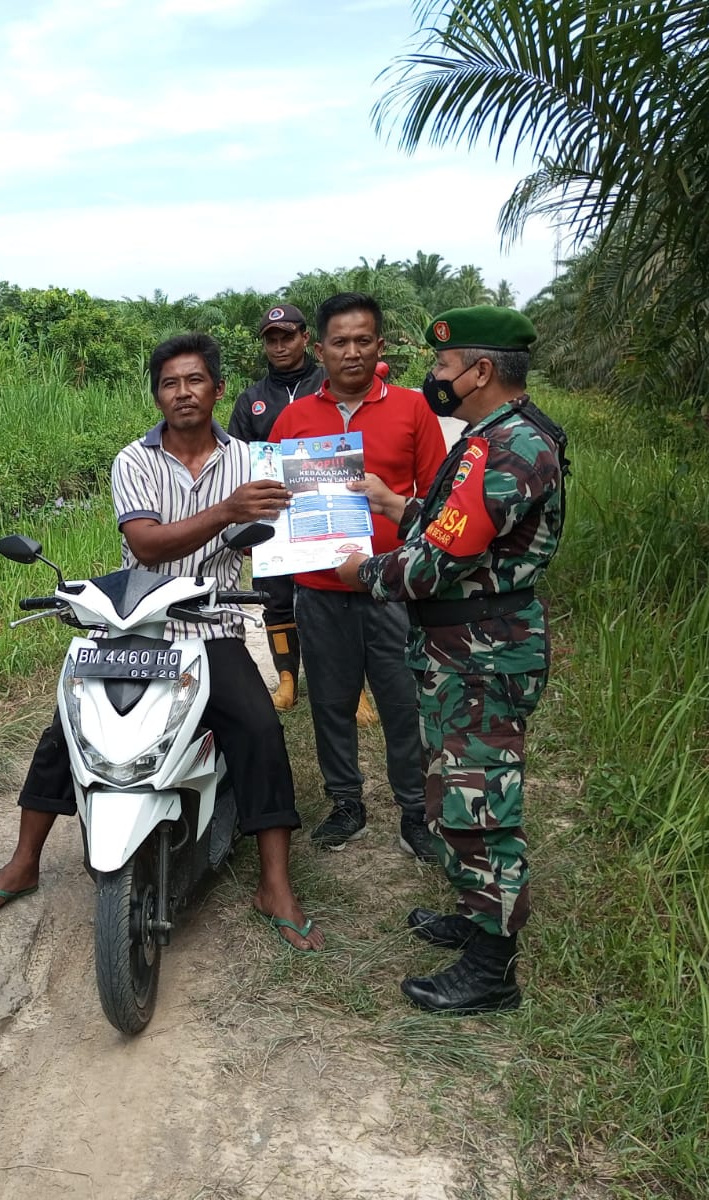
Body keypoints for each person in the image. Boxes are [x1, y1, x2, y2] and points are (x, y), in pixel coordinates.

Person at [0, 333, 321, 951]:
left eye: (194, 380)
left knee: (259, 728)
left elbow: (291, 520)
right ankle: (24, 860)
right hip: (138, 626)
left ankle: (275, 884)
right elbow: (148, 545)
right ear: (157, 393)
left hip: (212, 625)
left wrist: (311, 530)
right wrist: (229, 512)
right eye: (169, 383)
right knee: (67, 730)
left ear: (218, 387)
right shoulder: (133, 460)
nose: (182, 392)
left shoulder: (253, 460)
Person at [339, 305, 566, 1014]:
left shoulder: (513, 448)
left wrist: (360, 574)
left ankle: (492, 970)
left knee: (482, 806)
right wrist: (395, 504)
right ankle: (475, 915)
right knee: (454, 793)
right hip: (459, 650)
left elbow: (435, 565)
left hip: (484, 656)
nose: (435, 378)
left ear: (481, 371)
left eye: (442, 366)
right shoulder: (488, 438)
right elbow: (460, 534)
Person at [270, 293, 448, 863]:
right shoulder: (294, 420)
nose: (352, 352)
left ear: (381, 346)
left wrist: (392, 502)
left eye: (363, 341)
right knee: (331, 701)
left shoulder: (412, 409)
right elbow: (274, 503)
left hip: (393, 587)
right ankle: (346, 802)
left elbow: (440, 502)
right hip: (320, 592)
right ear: (319, 349)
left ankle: (415, 811)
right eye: (340, 343)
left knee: (402, 702)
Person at [227, 303, 325, 713]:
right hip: (272, 516)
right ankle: (286, 679)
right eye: (272, 339)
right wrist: (245, 526)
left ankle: (346, 684)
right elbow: (236, 463)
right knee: (276, 597)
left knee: (329, 595)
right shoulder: (251, 400)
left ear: (305, 337)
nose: (280, 345)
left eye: (288, 336)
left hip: (324, 511)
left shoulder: (330, 383)